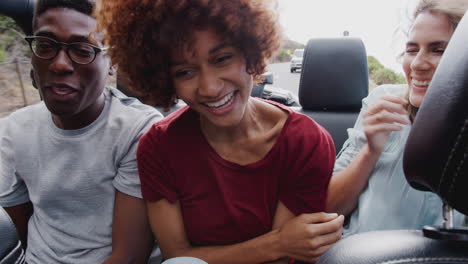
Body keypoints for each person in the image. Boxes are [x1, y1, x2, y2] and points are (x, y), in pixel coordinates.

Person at [97, 0, 344, 263]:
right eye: (185, 72)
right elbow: (178, 256)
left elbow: (283, 260)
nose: (209, 88)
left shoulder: (305, 142)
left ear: (251, 53)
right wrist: (279, 241)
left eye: (222, 59)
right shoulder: (158, 147)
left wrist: (280, 247)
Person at [0, 0, 164, 263]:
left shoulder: (137, 132)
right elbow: (11, 241)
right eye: (45, 46)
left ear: (114, 61)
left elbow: (129, 256)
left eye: (82, 49)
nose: (60, 64)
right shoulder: (12, 131)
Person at [327, 0, 468, 235]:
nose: (418, 64)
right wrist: (370, 151)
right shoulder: (383, 103)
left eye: (439, 50)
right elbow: (329, 207)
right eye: (412, 50)